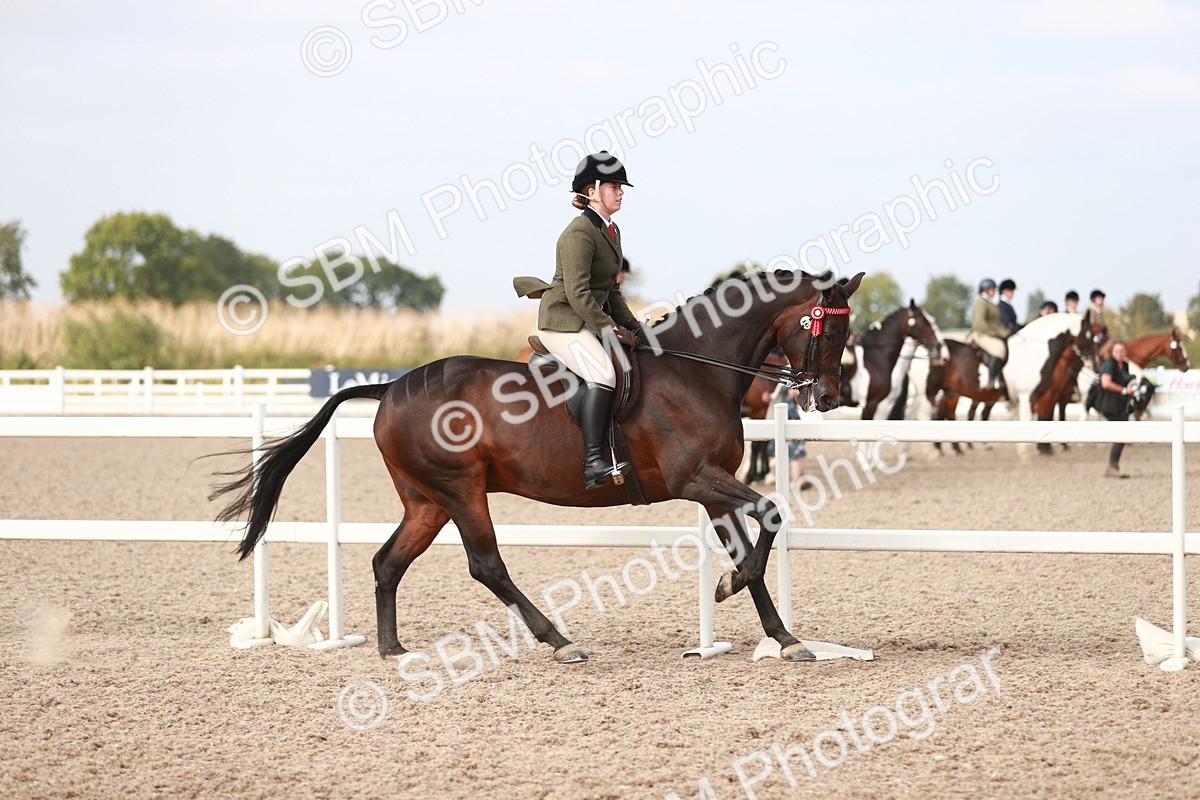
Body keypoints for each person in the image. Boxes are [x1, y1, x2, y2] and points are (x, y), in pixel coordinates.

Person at [530, 151, 641, 489]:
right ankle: (593, 461)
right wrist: (608, 329)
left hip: (584, 317)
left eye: (622, 187)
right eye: (613, 186)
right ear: (592, 191)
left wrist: (635, 326)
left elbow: (611, 291)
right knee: (604, 373)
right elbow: (579, 294)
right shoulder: (579, 233)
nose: (620, 192)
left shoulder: (611, 229)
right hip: (562, 320)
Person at [1091, 341, 1136, 478]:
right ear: (1112, 351)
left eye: (1122, 350)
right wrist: (1123, 390)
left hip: (1120, 403)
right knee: (1120, 434)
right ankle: (1112, 466)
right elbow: (1106, 383)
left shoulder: (1125, 365)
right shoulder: (1109, 364)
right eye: (1117, 351)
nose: (1119, 353)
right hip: (1109, 403)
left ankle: (1113, 466)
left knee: (1121, 434)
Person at [967, 278, 1011, 392]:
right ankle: (991, 380)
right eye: (992, 289)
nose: (994, 292)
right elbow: (979, 323)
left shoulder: (989, 303)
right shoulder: (981, 303)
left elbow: (996, 323)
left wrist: (1006, 332)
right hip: (981, 333)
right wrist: (996, 334)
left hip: (990, 332)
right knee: (999, 349)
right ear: (986, 290)